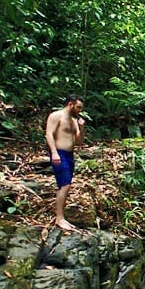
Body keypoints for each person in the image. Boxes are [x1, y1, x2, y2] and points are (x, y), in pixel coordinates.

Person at [45, 94, 86, 231]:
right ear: (70, 104)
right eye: (78, 107)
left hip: (69, 155)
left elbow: (79, 142)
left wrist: (82, 128)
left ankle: (61, 216)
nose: (80, 110)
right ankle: (59, 218)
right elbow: (49, 134)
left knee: (65, 185)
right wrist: (54, 152)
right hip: (59, 153)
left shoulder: (74, 121)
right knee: (65, 185)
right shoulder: (56, 116)